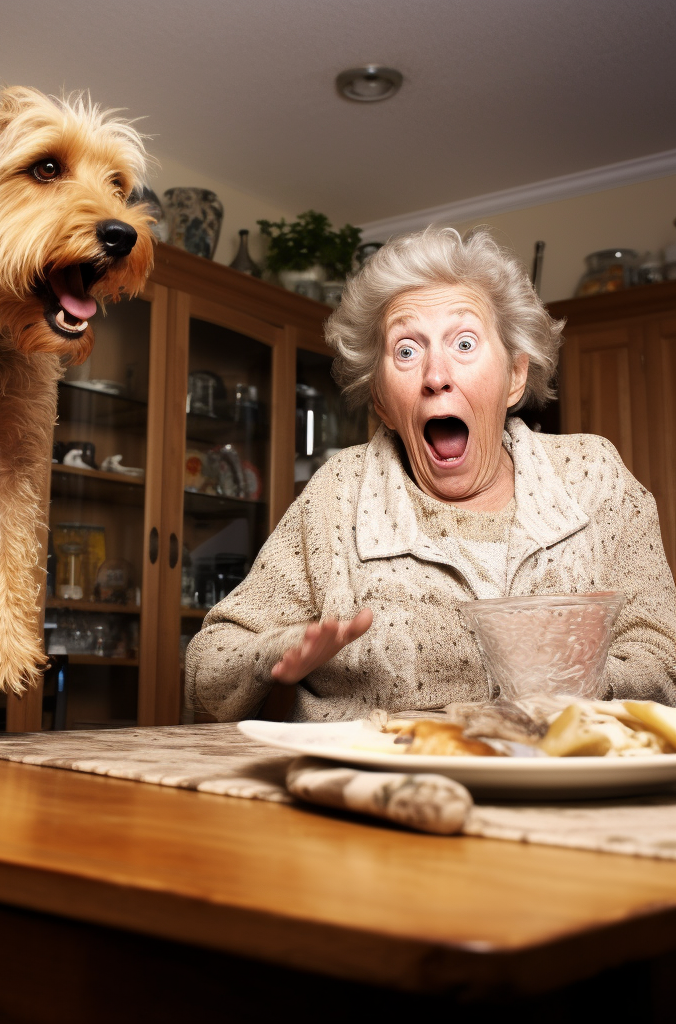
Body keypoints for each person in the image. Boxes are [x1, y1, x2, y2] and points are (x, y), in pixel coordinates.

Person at [185, 228, 676, 722]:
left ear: (515, 376)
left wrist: (573, 679)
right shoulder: (340, 496)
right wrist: (279, 650)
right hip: (378, 792)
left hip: (566, 789)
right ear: (381, 401)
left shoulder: (594, 477)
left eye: (464, 342)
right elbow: (208, 667)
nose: (435, 375)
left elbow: (664, 659)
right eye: (406, 350)